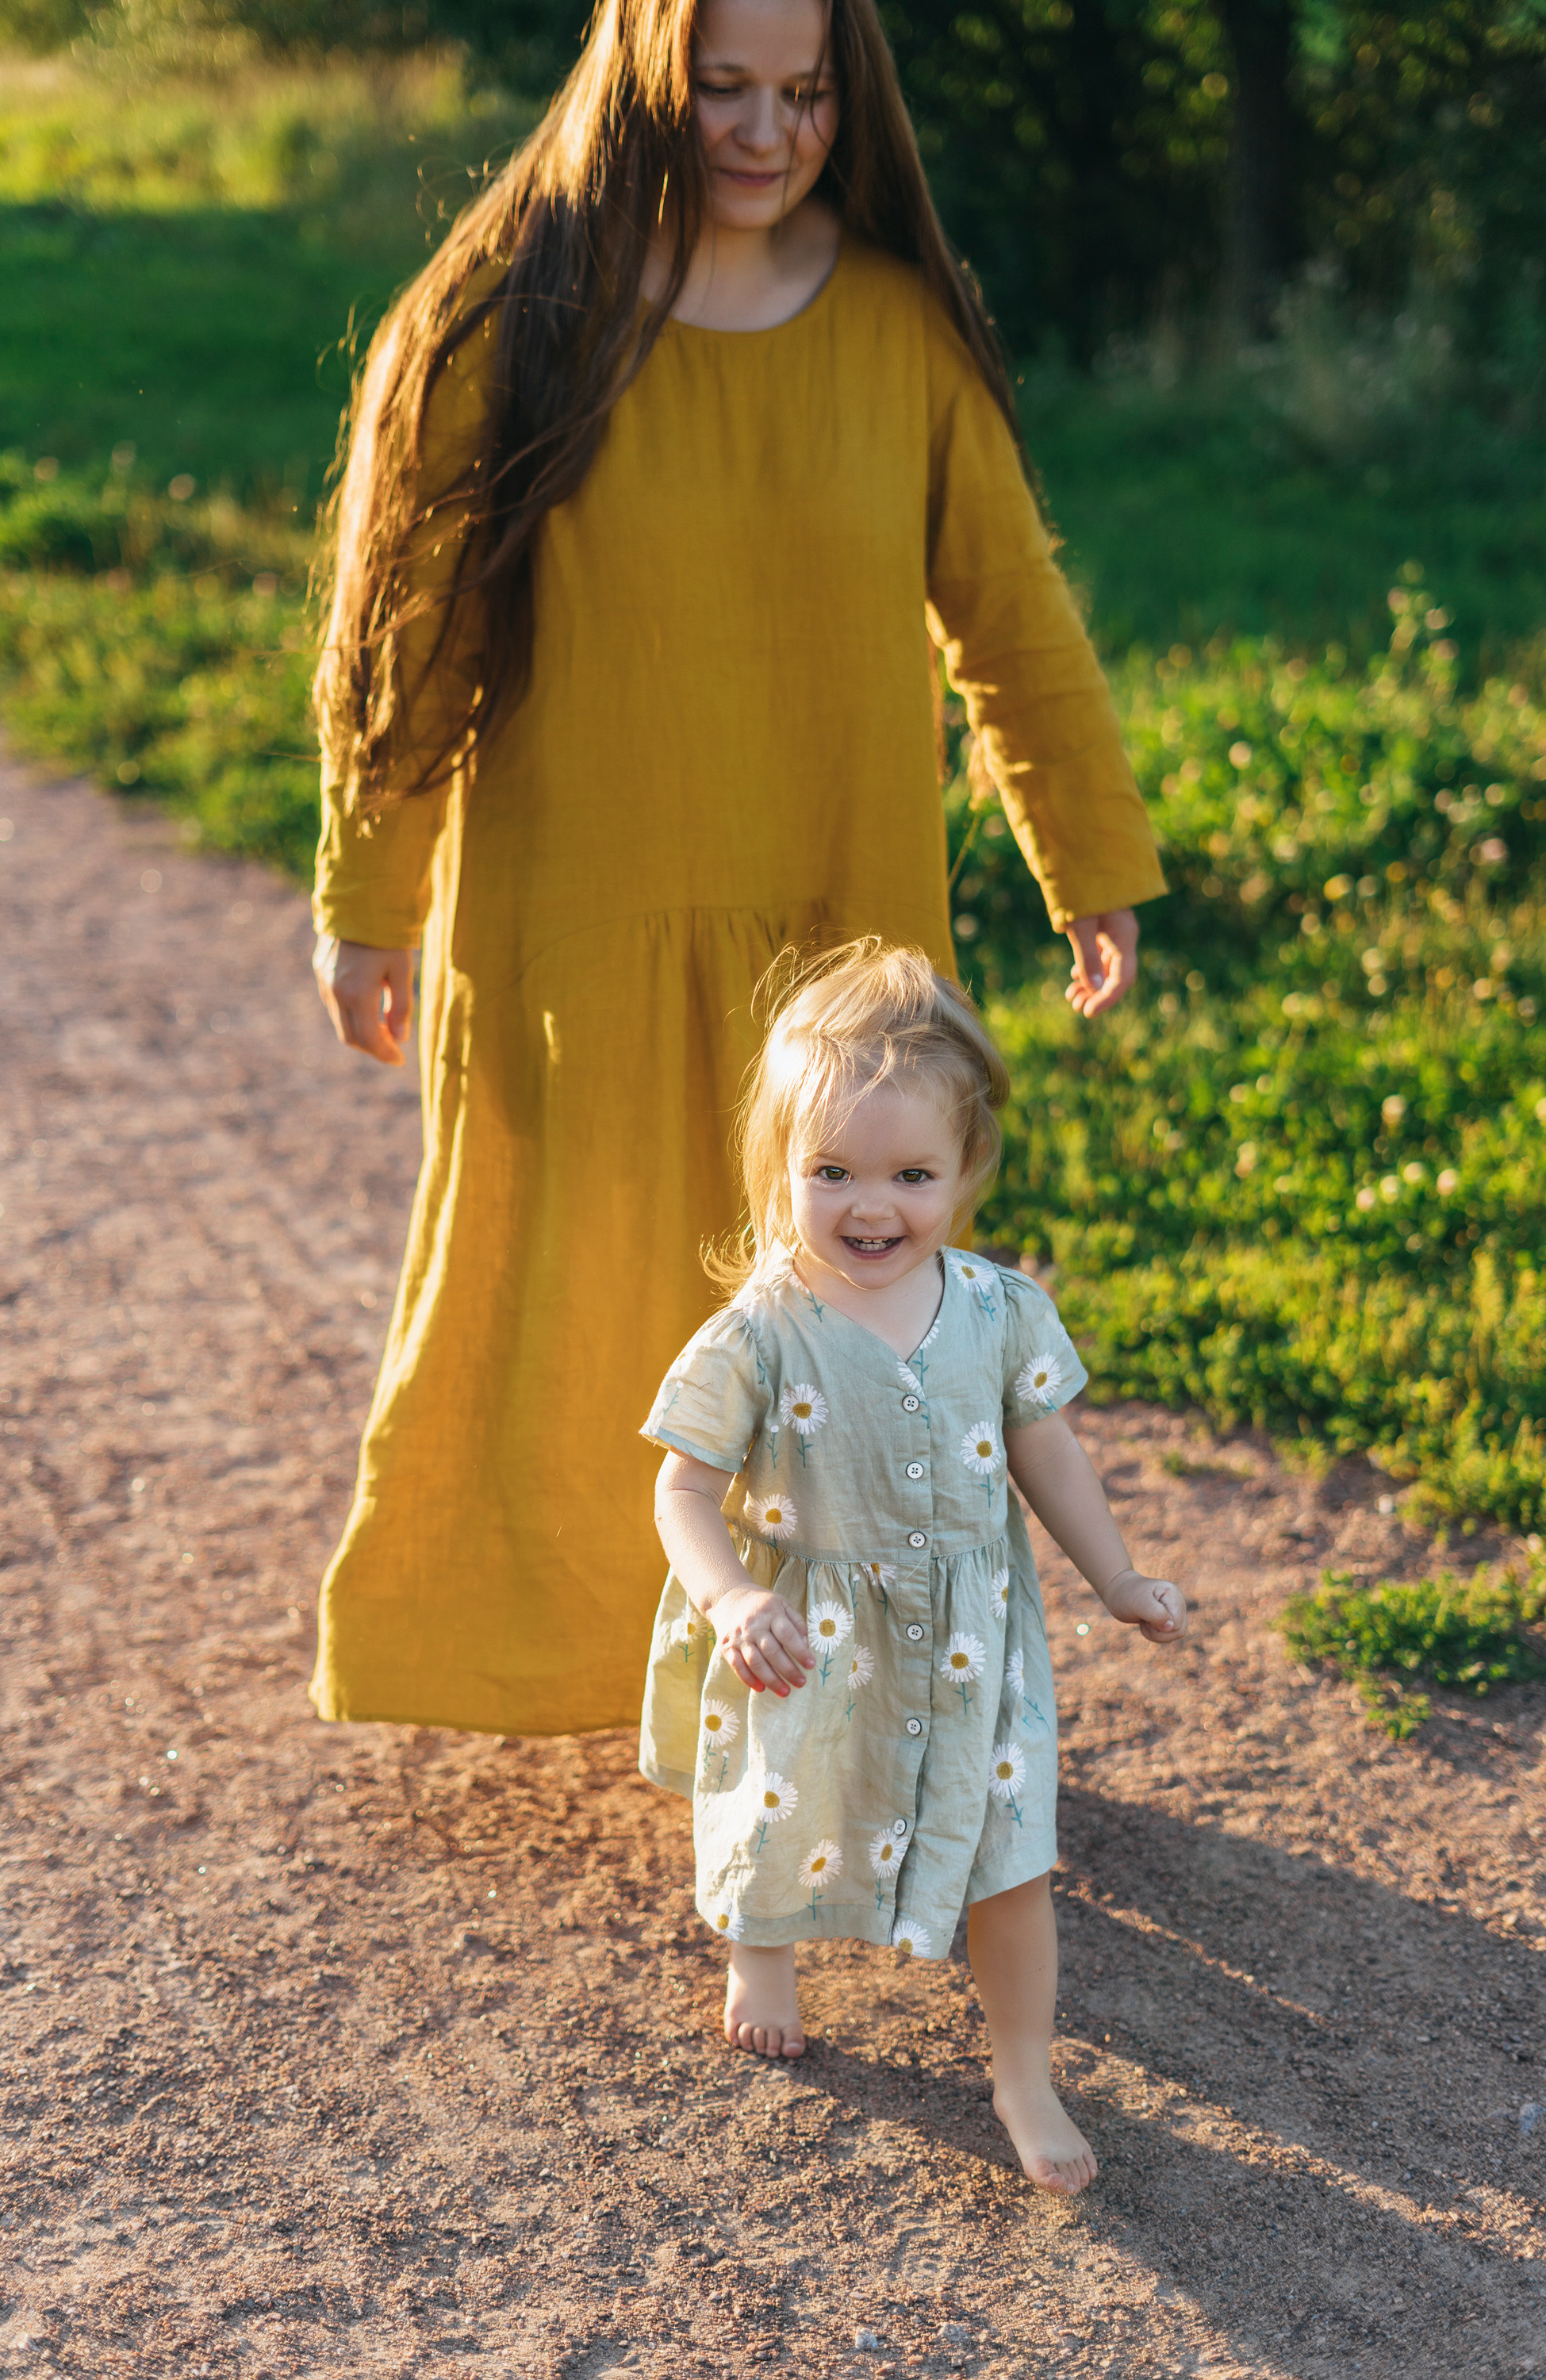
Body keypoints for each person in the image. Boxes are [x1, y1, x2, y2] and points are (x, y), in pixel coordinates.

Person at [308, 0, 1166, 1738]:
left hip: (839, 928)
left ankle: (847, 1683)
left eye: (806, 95)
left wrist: (1084, 851)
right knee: (581, 1293)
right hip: (573, 915)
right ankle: (561, 1657)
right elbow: (413, 632)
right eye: (722, 89)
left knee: (850, 1313)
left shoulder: (899, 325)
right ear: (643, 76)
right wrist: (366, 896)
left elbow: (1007, 615)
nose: (765, 132)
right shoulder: (508, 321)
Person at [640, 942, 1186, 2194]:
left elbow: (1049, 1456)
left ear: (964, 1169)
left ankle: (1023, 2069)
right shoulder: (760, 1330)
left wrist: (1117, 1578)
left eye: (908, 1173)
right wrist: (732, 1596)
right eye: (829, 1171)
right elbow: (679, 1486)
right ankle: (761, 1949)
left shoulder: (999, 1312)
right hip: (812, 1628)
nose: (868, 1204)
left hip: (973, 1639)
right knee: (790, 1801)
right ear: (778, 1170)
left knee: (1013, 1855)